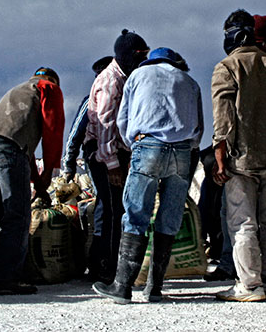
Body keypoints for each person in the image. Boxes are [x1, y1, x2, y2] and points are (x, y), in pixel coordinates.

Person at [93, 47, 203, 304]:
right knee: (170, 217)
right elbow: (198, 126)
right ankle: (155, 287)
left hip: (148, 146)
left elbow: (123, 119)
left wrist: (135, 144)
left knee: (136, 215)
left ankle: (122, 286)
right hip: (183, 150)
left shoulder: (138, 76)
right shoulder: (189, 81)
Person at [0, 67, 65, 295]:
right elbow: (53, 129)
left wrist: (37, 182)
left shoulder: (19, 90)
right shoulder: (49, 88)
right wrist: (50, 171)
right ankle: (6, 278)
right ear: (53, 80)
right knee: (18, 216)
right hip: (8, 149)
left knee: (4, 214)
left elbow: (24, 152)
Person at [212, 10, 266, 302]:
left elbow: (223, 118)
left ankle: (249, 286)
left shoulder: (226, 67)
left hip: (240, 160)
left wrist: (219, 154)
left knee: (242, 222)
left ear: (234, 35)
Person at [85, 29, 149, 282]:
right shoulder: (111, 81)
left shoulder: (126, 77)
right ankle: (106, 267)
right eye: (139, 55)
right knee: (113, 212)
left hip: (114, 152)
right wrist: (112, 165)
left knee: (112, 208)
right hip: (103, 153)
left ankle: (103, 263)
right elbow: (104, 124)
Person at [61, 55, 113, 280]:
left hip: (116, 157)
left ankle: (107, 259)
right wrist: (69, 166)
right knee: (105, 202)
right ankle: (98, 261)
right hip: (98, 159)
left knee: (112, 205)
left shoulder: (121, 95)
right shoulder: (90, 101)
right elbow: (75, 135)